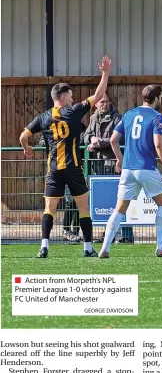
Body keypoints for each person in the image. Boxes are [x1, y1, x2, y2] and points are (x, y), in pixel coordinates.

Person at [20, 56, 112, 258]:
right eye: (70, 96)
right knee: (83, 208)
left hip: (54, 168)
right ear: (62, 98)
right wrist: (105, 73)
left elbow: (23, 136)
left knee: (49, 208)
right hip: (73, 167)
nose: (72, 99)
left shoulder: (43, 117)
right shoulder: (73, 111)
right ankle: (88, 248)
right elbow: (97, 95)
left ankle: (44, 246)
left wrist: (27, 148)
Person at [98, 84, 162, 258]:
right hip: (146, 168)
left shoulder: (129, 114)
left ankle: (105, 248)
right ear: (157, 98)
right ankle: (161, 247)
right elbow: (158, 144)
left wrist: (120, 160)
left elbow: (113, 140)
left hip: (128, 169)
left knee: (119, 209)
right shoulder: (157, 117)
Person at [84, 93, 134, 244]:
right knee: (104, 201)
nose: (104, 104)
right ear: (96, 105)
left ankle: (126, 234)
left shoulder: (117, 117)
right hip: (99, 164)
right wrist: (91, 139)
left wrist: (101, 142)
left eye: (106, 101)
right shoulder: (93, 118)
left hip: (114, 163)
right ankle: (108, 234)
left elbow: (120, 138)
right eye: (101, 102)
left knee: (121, 198)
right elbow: (85, 135)